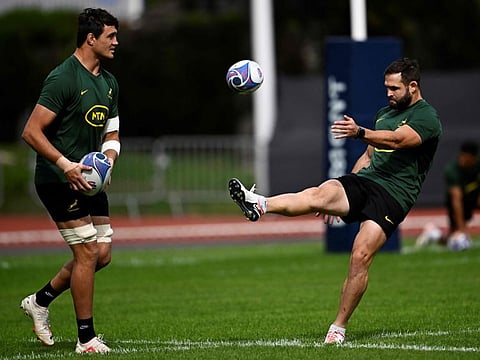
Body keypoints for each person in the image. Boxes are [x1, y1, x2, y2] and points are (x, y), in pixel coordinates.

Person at [228, 58, 442, 344]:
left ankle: (338, 328)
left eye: (394, 88)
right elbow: (368, 157)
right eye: (386, 88)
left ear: (412, 87)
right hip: (368, 181)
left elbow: (397, 141)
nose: (388, 94)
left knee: (360, 257)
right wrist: (345, 191)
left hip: (394, 196)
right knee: (320, 194)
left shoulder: (427, 117)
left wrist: (360, 131)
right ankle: (259, 204)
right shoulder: (384, 113)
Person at [20, 8, 121, 354]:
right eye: (111, 36)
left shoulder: (109, 83)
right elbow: (31, 132)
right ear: (90, 38)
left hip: (90, 181)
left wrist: (108, 161)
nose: (116, 42)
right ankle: (86, 339)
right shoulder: (63, 78)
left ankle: (39, 301)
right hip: (58, 179)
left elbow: (112, 134)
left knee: (101, 255)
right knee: (87, 251)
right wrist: (65, 165)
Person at [416, 141, 479, 250]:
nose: (462, 160)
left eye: (466, 157)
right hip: (458, 202)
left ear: (473, 158)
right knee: (453, 237)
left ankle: (434, 234)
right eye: (461, 156)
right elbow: (456, 199)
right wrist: (462, 229)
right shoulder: (452, 170)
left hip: (473, 196)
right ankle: (434, 234)